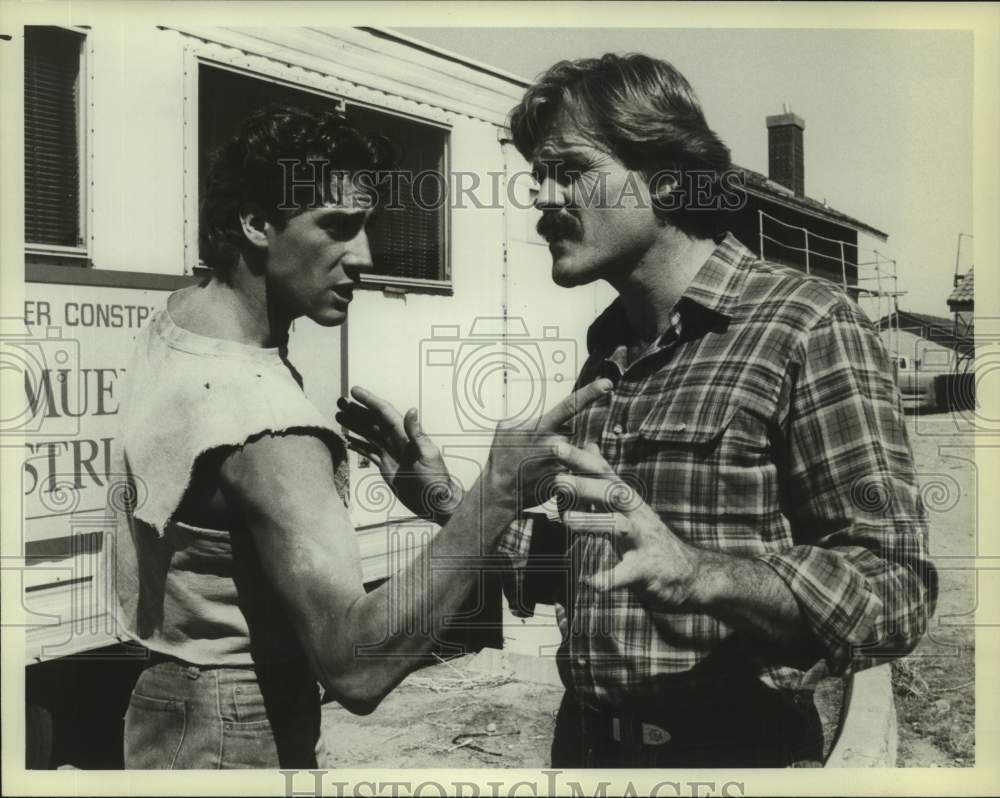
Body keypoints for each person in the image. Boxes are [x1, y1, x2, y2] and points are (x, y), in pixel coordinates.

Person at [342, 54, 937, 767]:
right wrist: (441, 498)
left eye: (569, 169)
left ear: (665, 174)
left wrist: (702, 573)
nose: (542, 198)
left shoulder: (806, 326)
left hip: (738, 759)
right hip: (589, 751)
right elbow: (590, 569)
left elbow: (894, 592)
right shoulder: (610, 352)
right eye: (538, 176)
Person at [109, 105, 610, 769]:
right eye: (337, 227)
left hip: (165, 707)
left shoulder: (182, 322)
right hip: (236, 729)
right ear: (257, 223)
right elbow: (355, 667)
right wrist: (495, 493)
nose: (365, 257)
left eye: (367, 225)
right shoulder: (271, 428)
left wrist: (435, 496)